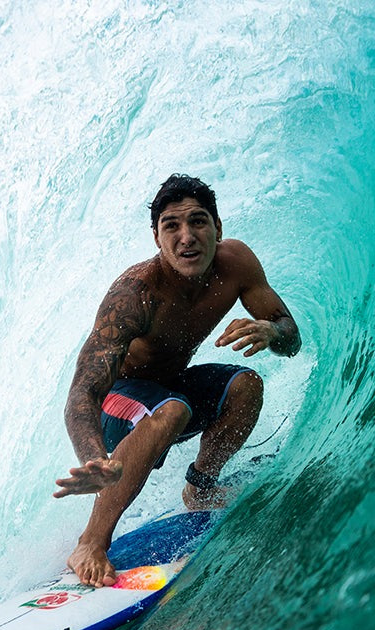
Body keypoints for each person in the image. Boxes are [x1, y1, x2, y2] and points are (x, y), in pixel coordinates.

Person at [53, 174, 301, 587]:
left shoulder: (236, 264)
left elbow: (290, 338)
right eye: (172, 225)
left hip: (168, 390)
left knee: (246, 386)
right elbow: (82, 392)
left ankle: (200, 488)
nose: (187, 237)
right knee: (172, 409)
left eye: (198, 222)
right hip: (119, 405)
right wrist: (95, 457)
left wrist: (272, 332)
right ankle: (90, 542)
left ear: (218, 228)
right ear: (157, 237)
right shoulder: (135, 294)